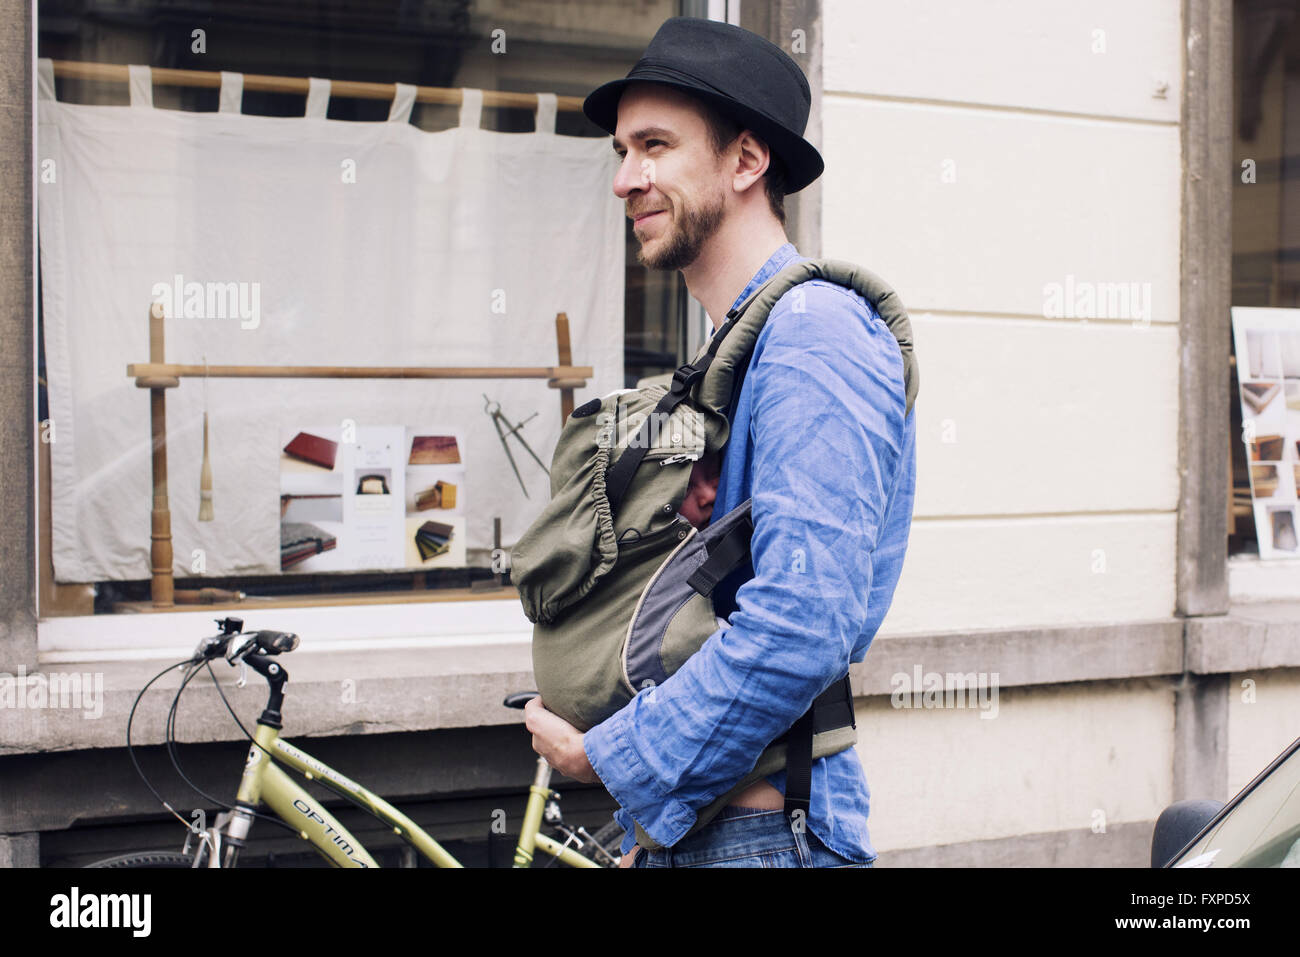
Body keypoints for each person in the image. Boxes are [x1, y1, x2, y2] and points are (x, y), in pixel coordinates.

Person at [524, 16, 917, 868]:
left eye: (655, 146)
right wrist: (656, 824)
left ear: (746, 161)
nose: (627, 180)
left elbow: (803, 622)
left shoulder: (815, 333)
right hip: (706, 826)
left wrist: (615, 756)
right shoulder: (735, 343)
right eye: (622, 152)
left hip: (761, 838)